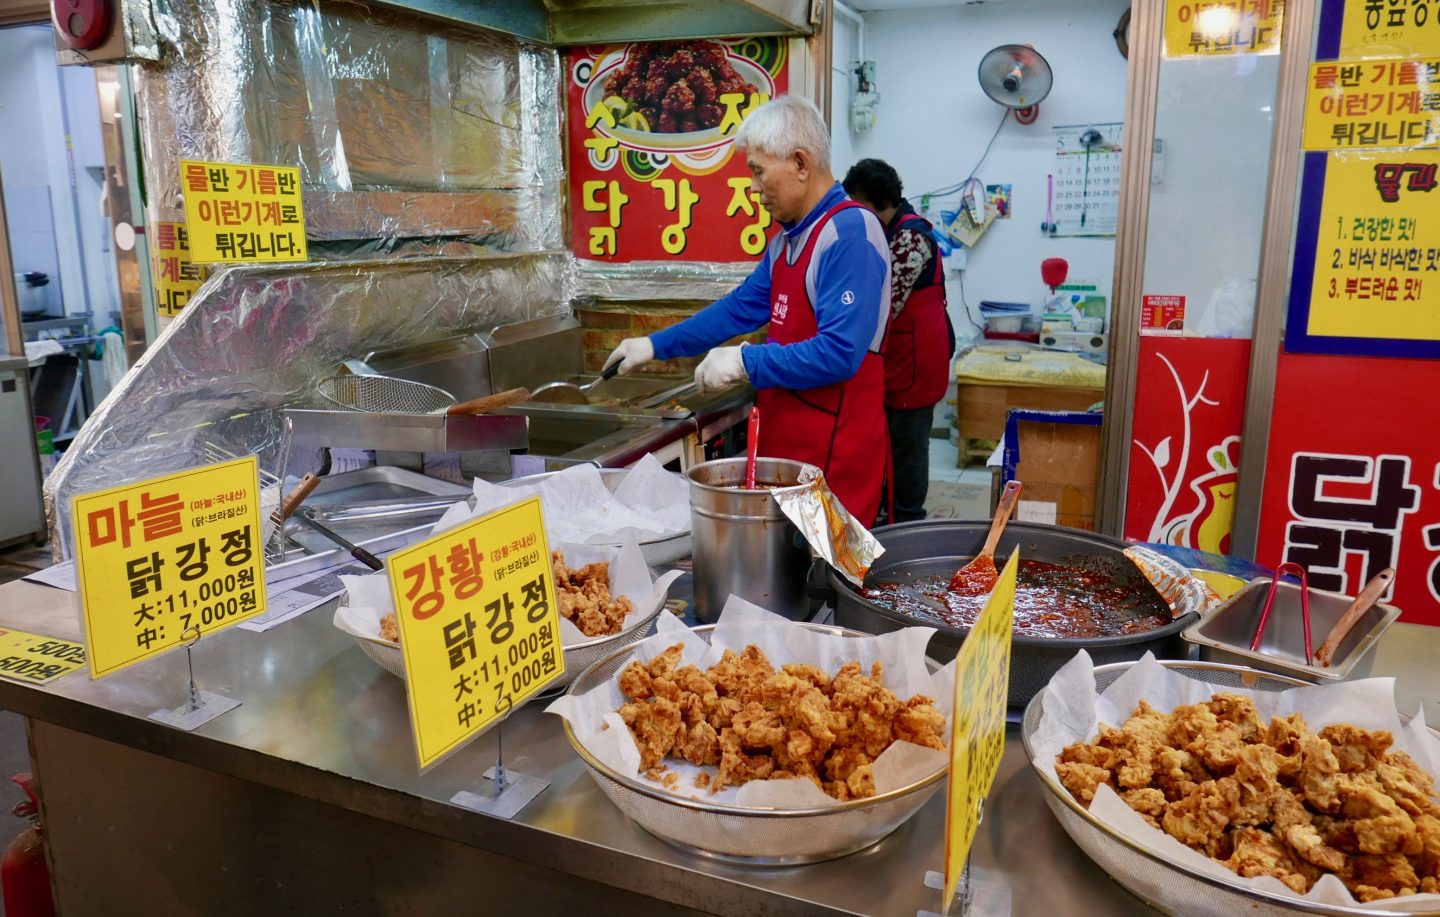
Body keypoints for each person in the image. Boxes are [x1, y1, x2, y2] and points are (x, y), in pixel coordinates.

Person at [603, 96, 893, 525]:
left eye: (758, 172)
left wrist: (743, 360)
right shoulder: (788, 240)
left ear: (799, 163)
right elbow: (739, 309)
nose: (754, 189)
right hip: (791, 450)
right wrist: (654, 345)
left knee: (829, 582)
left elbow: (839, 353)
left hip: (834, 460)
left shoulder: (849, 233)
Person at [841, 158, 955, 523]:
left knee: (908, 449)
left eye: (855, 202)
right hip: (902, 358)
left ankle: (908, 523)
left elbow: (882, 303)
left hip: (916, 363)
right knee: (890, 446)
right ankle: (889, 516)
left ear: (874, 201)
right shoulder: (892, 231)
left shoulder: (909, 238)